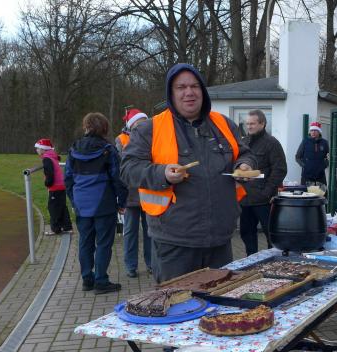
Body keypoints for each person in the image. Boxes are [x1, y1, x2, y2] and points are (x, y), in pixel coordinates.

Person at [120, 63, 257, 283]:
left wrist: (244, 165)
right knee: (179, 302)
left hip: (220, 240)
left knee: (219, 301)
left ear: (202, 90)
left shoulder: (224, 125)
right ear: (171, 93)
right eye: (181, 87)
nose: (189, 92)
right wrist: (162, 173)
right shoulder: (150, 129)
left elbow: (244, 153)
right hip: (174, 243)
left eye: (194, 86)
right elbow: (128, 168)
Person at [65, 112, 128, 294]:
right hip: (103, 203)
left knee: (85, 241)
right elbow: (118, 178)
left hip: (81, 203)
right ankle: (101, 281)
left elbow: (68, 178)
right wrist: (122, 201)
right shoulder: (108, 149)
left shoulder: (74, 149)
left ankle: (87, 279)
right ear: (104, 128)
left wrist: (74, 200)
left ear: (86, 127)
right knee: (103, 243)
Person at [239, 109, 287, 256]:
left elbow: (280, 170)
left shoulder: (272, 143)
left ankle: (275, 261)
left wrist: (266, 192)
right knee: (247, 234)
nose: (249, 126)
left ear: (262, 124)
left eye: (252, 124)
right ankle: (251, 261)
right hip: (244, 199)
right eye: (247, 124)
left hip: (264, 200)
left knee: (271, 236)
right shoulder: (243, 142)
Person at [116, 108, 152, 278]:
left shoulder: (153, 137)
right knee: (130, 232)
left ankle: (151, 263)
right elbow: (121, 167)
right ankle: (131, 266)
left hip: (149, 192)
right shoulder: (121, 140)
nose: (142, 126)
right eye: (139, 123)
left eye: (145, 122)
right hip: (130, 194)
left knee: (150, 231)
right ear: (131, 125)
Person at [33, 138, 72, 236]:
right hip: (61, 185)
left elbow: (49, 173)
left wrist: (48, 183)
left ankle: (55, 229)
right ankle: (67, 227)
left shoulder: (47, 159)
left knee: (53, 208)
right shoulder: (52, 156)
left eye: (38, 148)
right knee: (62, 206)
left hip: (55, 187)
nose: (37, 150)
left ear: (43, 149)